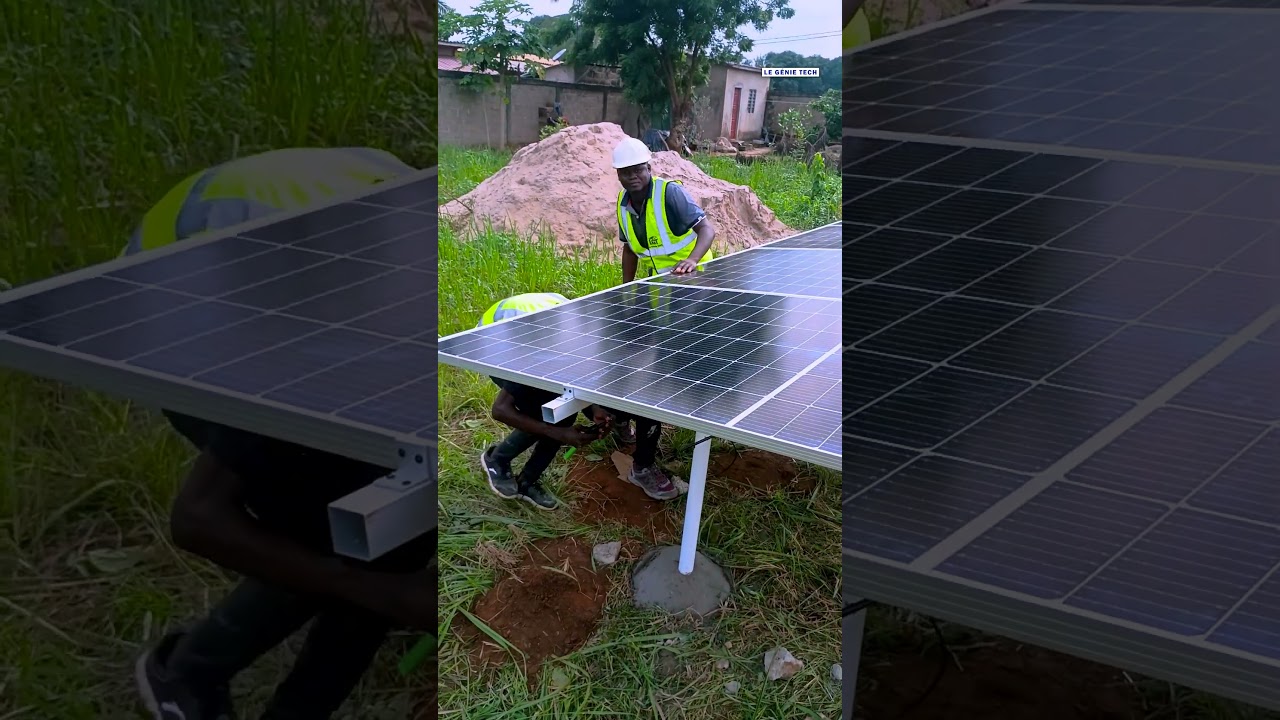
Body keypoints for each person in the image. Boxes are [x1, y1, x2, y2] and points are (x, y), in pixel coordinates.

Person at [128, 147, 438, 720]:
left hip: (250, 261)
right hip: (170, 314)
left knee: (397, 514)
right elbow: (198, 516)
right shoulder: (328, 331)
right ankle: (185, 674)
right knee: (352, 524)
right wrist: (390, 595)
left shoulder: (405, 277)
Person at [476, 292, 682, 508]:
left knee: (561, 411)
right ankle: (497, 459)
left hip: (539, 326)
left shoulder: (592, 341)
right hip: (495, 337)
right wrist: (556, 432)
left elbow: (577, 380)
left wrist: (594, 410)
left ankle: (527, 482)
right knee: (546, 412)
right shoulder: (544, 350)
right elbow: (500, 409)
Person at [611, 137, 718, 283]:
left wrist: (692, 260)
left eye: (637, 170)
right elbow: (630, 250)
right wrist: (625, 289)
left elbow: (707, 229)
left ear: (648, 169)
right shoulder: (623, 203)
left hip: (695, 275)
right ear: (618, 176)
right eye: (626, 172)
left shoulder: (670, 192)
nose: (632, 176)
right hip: (661, 283)